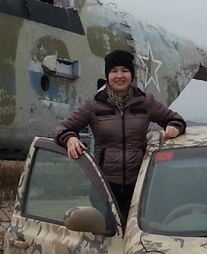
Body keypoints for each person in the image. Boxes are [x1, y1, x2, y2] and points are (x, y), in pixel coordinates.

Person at [54, 49, 185, 221]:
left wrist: (174, 127)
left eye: (124, 70)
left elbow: (176, 120)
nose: (119, 75)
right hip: (105, 187)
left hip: (140, 185)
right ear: (108, 75)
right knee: (109, 237)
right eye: (114, 71)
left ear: (131, 75)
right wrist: (70, 138)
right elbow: (61, 127)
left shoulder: (146, 101)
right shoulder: (94, 105)